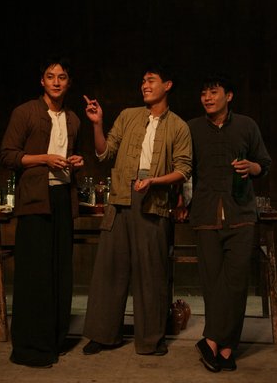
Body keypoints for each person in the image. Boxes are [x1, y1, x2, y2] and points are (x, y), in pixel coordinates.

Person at [81, 63, 192, 356]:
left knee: (151, 274)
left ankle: (151, 339)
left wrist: (154, 181)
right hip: (121, 197)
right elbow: (105, 153)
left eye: (151, 80)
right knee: (109, 270)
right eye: (143, 80)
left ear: (167, 85)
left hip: (154, 201)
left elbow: (183, 170)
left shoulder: (178, 126)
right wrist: (97, 124)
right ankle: (103, 335)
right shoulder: (128, 116)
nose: (145, 85)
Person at [0, 55, 84, 368]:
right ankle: (30, 347)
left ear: (68, 83)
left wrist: (76, 161)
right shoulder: (26, 112)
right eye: (50, 76)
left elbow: (69, 156)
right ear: (42, 81)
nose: (56, 82)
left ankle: (54, 340)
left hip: (62, 198)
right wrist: (43, 159)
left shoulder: (73, 119)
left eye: (62, 77)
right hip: (35, 199)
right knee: (35, 274)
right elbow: (7, 156)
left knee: (60, 272)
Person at [184, 73, 271, 372]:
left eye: (213, 92)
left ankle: (219, 343)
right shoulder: (192, 128)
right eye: (203, 93)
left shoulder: (247, 125)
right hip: (206, 214)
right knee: (212, 283)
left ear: (228, 95)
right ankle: (219, 346)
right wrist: (181, 202)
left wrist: (252, 166)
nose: (207, 98)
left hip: (241, 214)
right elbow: (184, 170)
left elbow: (265, 164)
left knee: (235, 284)